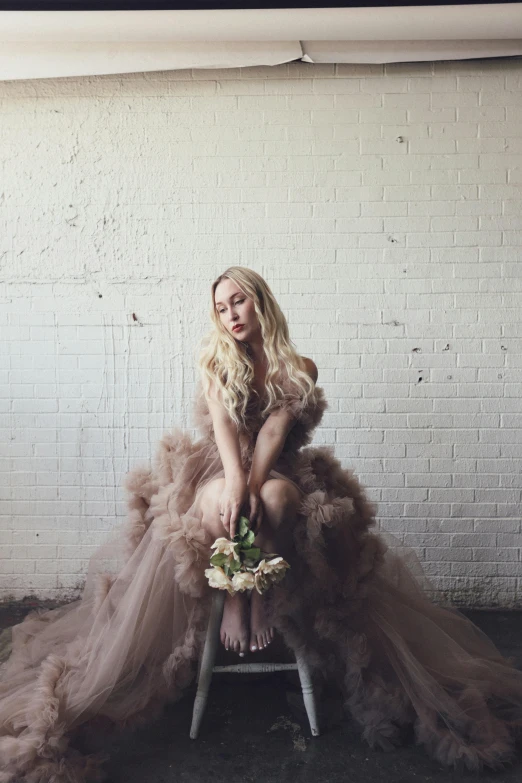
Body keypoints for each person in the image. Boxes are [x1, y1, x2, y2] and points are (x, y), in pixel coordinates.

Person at [0, 266, 521, 783]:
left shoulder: (299, 367)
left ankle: (252, 599)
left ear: (260, 302)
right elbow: (225, 427)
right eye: (221, 307)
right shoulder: (215, 360)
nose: (230, 315)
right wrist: (233, 481)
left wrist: (253, 482)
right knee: (217, 508)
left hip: (277, 467)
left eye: (238, 302)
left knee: (271, 500)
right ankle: (232, 602)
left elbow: (273, 431)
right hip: (219, 464)